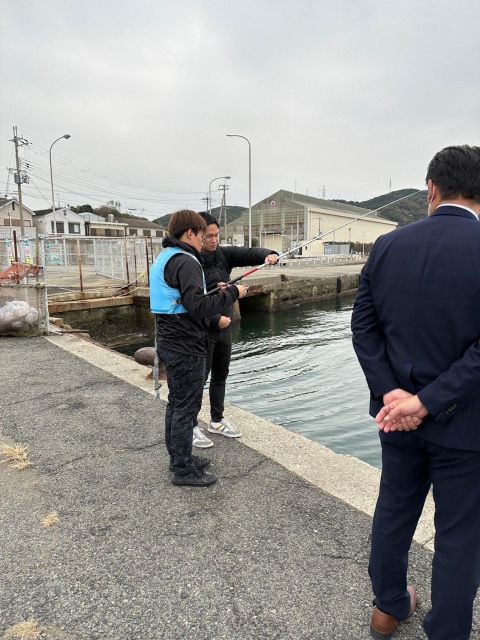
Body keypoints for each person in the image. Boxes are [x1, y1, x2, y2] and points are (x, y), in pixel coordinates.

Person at [351, 145, 480, 640]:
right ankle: (446, 630)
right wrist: (426, 401)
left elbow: (364, 329)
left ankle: (387, 608)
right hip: (465, 423)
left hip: (395, 418)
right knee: (459, 535)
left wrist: (392, 395)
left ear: (431, 188)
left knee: (394, 509)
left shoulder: (387, 245)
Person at [150, 210, 247, 487]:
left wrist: (213, 290)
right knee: (186, 408)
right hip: (185, 345)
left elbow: (185, 298)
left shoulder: (167, 257)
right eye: (202, 234)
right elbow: (198, 307)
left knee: (176, 404)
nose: (205, 239)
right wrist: (232, 293)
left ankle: (178, 458)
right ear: (190, 233)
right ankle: (182, 469)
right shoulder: (187, 261)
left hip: (168, 340)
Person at [191, 212, 279, 448]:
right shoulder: (191, 260)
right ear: (198, 235)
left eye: (216, 235)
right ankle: (190, 425)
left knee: (221, 375)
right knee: (200, 378)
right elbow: (192, 300)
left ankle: (216, 420)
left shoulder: (223, 254)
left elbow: (248, 253)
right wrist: (214, 319)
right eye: (208, 236)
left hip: (225, 326)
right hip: (204, 328)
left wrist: (269, 255)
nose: (213, 240)